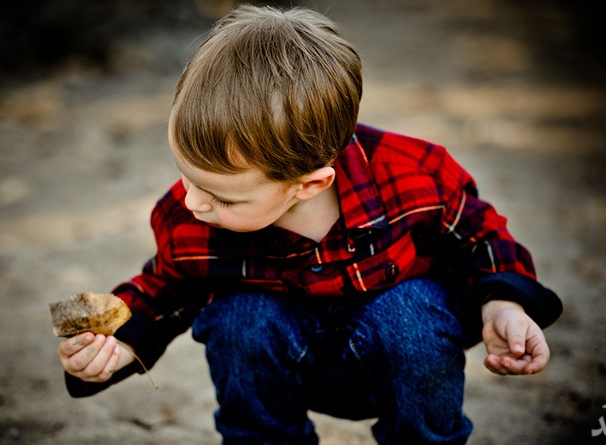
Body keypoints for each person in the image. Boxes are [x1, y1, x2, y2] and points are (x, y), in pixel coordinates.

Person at [57, 4, 563, 444]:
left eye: (221, 195)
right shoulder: (191, 214)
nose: (194, 202)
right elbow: (164, 287)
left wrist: (506, 302)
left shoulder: (413, 176)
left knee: (411, 310)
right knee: (239, 316)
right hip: (278, 363)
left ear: (309, 183)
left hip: (398, 357)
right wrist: (119, 344)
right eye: (187, 177)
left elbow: (482, 236)